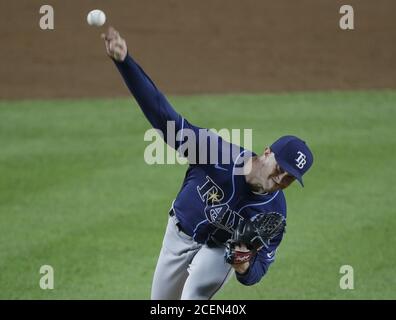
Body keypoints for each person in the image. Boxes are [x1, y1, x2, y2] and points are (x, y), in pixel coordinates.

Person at [102, 27, 314, 300]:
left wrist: (244, 264)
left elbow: (259, 270)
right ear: (266, 153)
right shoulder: (217, 153)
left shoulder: (275, 212)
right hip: (179, 234)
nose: (281, 178)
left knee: (192, 298)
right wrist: (125, 62)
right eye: (280, 167)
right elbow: (164, 117)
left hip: (218, 252)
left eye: (290, 177)